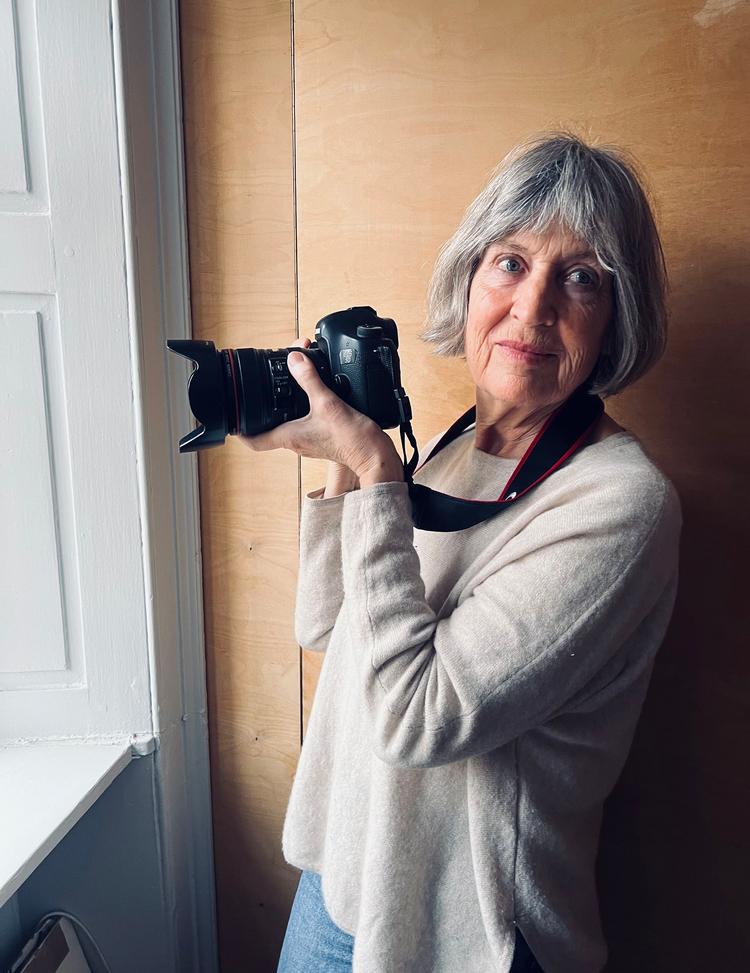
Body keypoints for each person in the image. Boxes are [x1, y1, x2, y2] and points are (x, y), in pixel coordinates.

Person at [245, 133, 682, 973]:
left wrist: (377, 467)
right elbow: (329, 625)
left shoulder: (622, 503)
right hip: (344, 878)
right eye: (511, 262)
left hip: (462, 929)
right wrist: (347, 456)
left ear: (616, 319)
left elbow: (419, 718)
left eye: (581, 277)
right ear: (469, 278)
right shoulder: (447, 447)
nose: (532, 307)